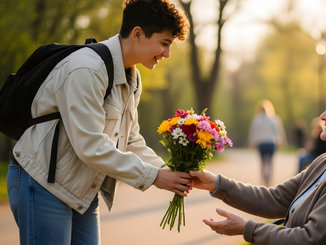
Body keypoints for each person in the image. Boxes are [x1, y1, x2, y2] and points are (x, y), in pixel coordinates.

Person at [7, 0, 191, 244]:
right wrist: (153, 177)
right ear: (138, 34)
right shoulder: (86, 69)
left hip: (81, 192)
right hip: (41, 184)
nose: (167, 54)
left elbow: (130, 139)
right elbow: (90, 145)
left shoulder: (131, 77)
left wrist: (164, 171)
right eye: (165, 43)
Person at [189, 76, 326, 245]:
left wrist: (247, 229)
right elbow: (276, 198)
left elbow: (311, 240)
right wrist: (216, 183)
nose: (323, 116)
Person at [248, 99, 286, 186]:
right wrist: (281, 140)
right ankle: (269, 180)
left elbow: (253, 131)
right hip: (271, 143)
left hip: (261, 143)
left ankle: (264, 180)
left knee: (262, 163)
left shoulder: (257, 118)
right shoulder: (274, 118)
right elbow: (279, 130)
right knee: (270, 162)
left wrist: (252, 142)